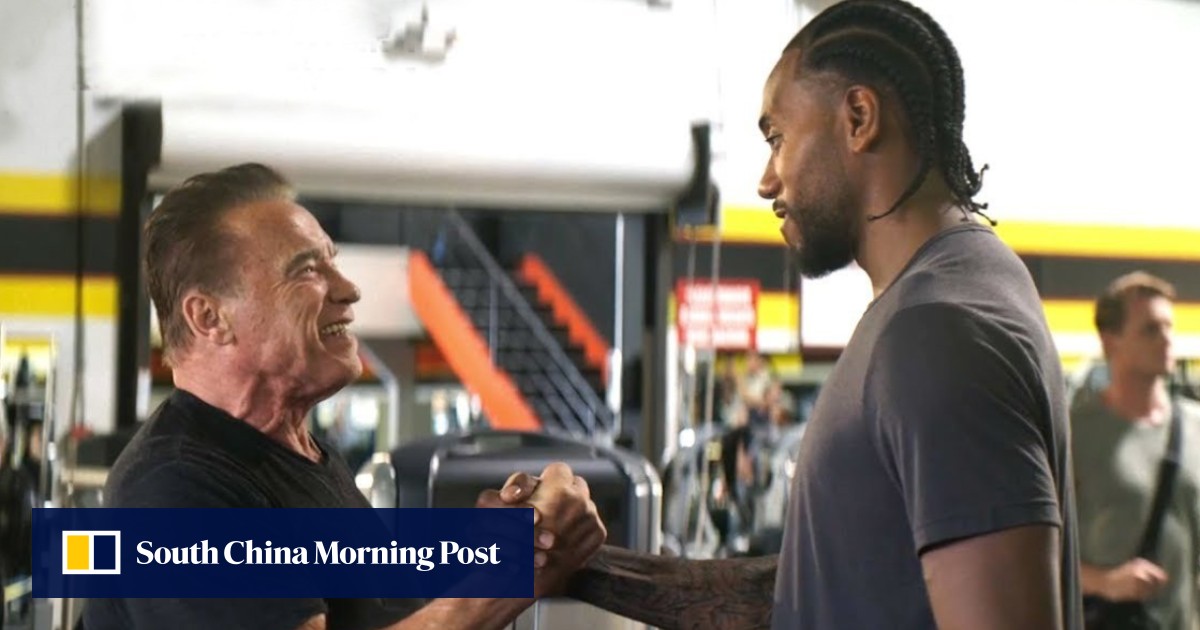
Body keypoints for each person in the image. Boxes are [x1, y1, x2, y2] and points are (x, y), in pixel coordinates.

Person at [487, 1, 1083, 628]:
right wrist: (572, 563)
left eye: (778, 139)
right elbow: (814, 587)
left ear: (858, 118)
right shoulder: (953, 296)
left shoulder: (936, 333)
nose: (768, 181)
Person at [82, 163, 606, 630]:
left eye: (332, 261)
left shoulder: (303, 455)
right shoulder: (175, 488)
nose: (349, 289)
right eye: (308, 270)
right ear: (210, 317)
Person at [1072, 272, 1200, 630]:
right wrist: (1105, 582)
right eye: (1150, 329)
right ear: (1110, 341)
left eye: (1169, 327)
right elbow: (1038, 552)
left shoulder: (1194, 426)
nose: (1166, 340)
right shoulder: (1075, 432)